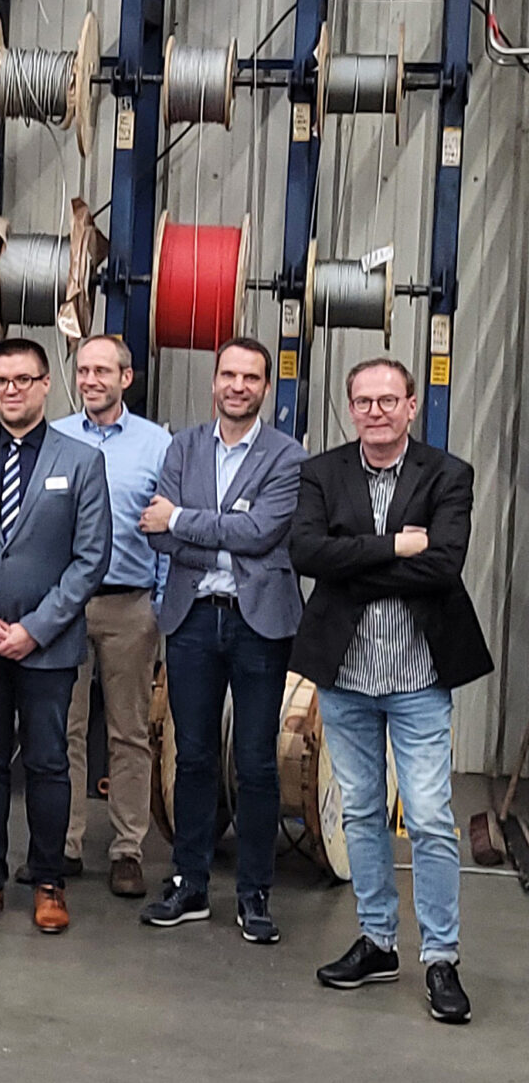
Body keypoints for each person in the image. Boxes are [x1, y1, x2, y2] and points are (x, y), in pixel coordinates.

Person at [291, 357, 490, 1025]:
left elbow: (444, 564)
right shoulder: (323, 471)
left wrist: (358, 558)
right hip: (345, 677)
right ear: (351, 408)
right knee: (361, 816)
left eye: (388, 400)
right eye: (363, 401)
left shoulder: (448, 474)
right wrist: (392, 547)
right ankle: (378, 942)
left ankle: (441, 956)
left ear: (411, 406)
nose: (375, 411)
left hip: (419, 679)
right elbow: (307, 553)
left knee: (431, 818)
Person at [0, 337, 111, 935]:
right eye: (1, 381)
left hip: (48, 647)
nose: (11, 390)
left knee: (50, 762)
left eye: (23, 380)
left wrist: (35, 629)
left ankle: (49, 881)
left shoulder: (80, 462)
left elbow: (90, 560)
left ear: (44, 384)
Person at [137, 337, 306, 943]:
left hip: (258, 620)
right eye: (228, 375)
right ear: (214, 382)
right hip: (191, 616)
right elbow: (154, 536)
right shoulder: (182, 446)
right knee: (195, 755)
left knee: (257, 762)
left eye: (250, 377)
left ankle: (255, 893)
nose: (238, 386)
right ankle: (190, 883)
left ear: (267, 387)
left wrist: (184, 520)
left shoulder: (288, 457)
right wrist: (220, 529)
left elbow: (262, 532)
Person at [45, 335, 170, 898]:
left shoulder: (157, 444)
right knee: (62, 729)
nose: (91, 379)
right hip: (65, 605)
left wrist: (161, 606)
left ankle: (126, 848)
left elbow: (167, 527)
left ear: (127, 377)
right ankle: (64, 843)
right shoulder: (56, 438)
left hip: (129, 605)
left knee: (129, 732)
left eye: (103, 370)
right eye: (84, 369)